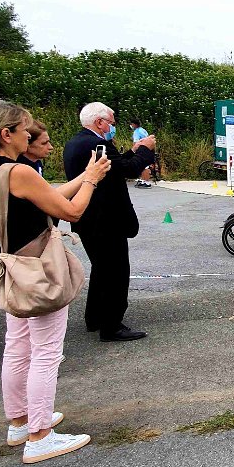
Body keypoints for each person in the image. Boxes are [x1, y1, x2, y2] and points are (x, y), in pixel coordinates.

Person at [0, 98, 112, 464]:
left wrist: (83, 176)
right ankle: (40, 435)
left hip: (13, 267)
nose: (28, 137)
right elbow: (71, 211)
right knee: (46, 352)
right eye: (24, 131)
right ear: (6, 134)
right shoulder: (19, 171)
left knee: (18, 346)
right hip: (38, 268)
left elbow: (46, 198)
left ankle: (20, 421)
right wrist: (91, 181)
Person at [63, 102, 157, 341]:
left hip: (89, 219)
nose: (112, 127)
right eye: (111, 123)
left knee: (101, 270)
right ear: (99, 122)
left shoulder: (77, 142)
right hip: (106, 220)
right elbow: (129, 170)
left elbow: (116, 166)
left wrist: (133, 150)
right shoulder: (97, 144)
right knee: (116, 272)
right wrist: (145, 151)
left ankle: (95, 317)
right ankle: (112, 325)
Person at [130, 119, 154, 189]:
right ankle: (143, 180)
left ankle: (146, 182)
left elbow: (136, 143)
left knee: (144, 166)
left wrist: (134, 151)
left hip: (142, 150)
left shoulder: (136, 132)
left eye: (132, 124)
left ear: (134, 124)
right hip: (148, 149)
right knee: (145, 165)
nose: (131, 125)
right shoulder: (143, 130)